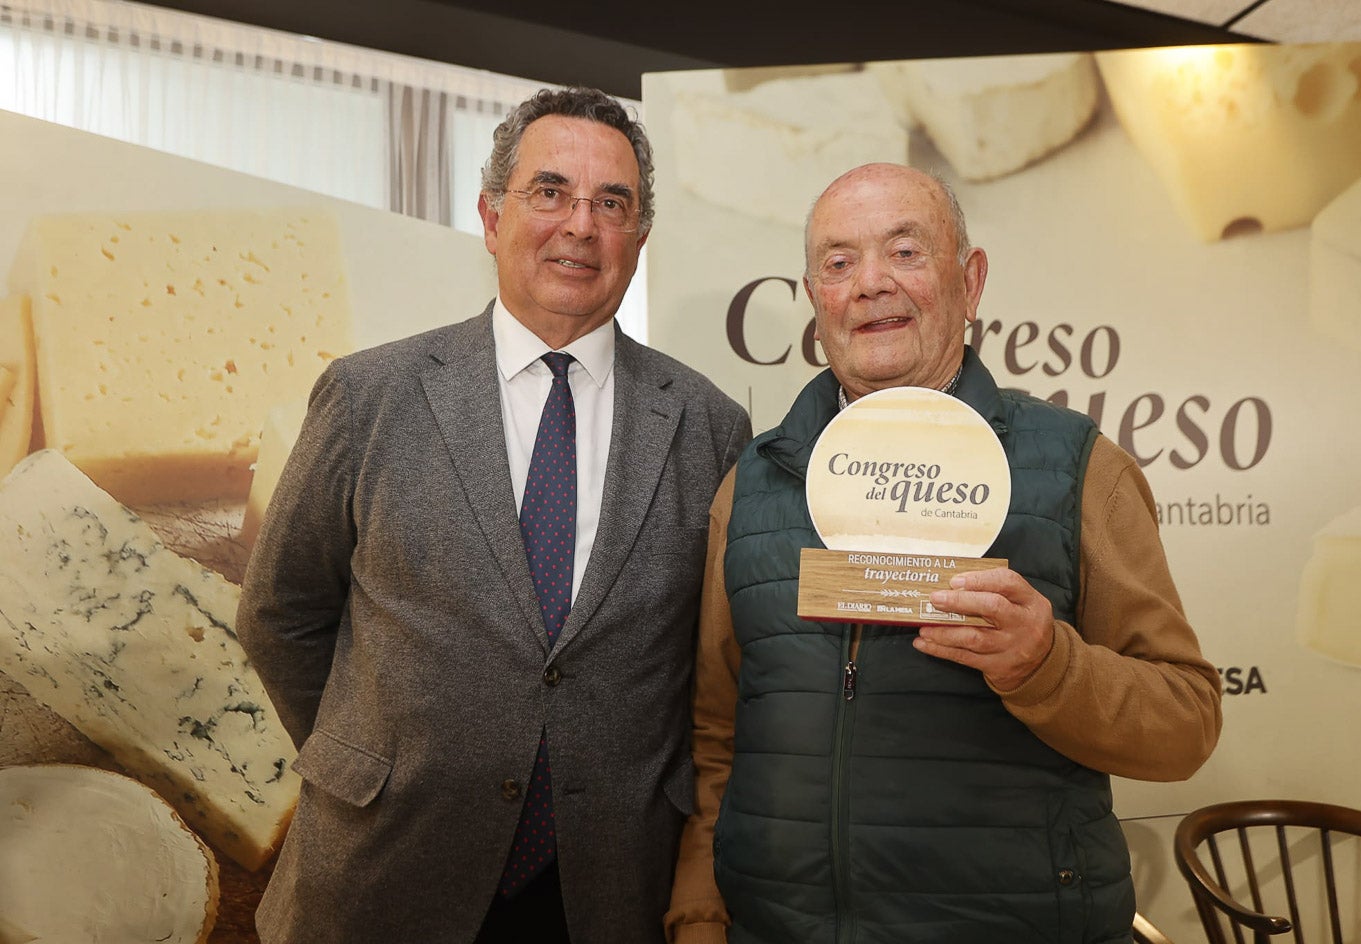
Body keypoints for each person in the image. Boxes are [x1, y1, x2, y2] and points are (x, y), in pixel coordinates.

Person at [236, 86, 750, 944]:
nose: (579, 225)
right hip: (385, 868)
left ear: (639, 237)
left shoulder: (706, 425)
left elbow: (709, 669)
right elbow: (278, 613)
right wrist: (374, 758)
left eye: (610, 203)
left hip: (609, 884)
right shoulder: (371, 396)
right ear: (490, 214)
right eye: (549, 192)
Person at [663, 163, 1222, 944]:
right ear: (814, 299)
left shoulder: (1082, 470)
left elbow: (1185, 723)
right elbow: (719, 730)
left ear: (970, 279)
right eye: (837, 262)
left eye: (904, 251)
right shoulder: (750, 483)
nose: (868, 284)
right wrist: (697, 915)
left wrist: (1045, 665)